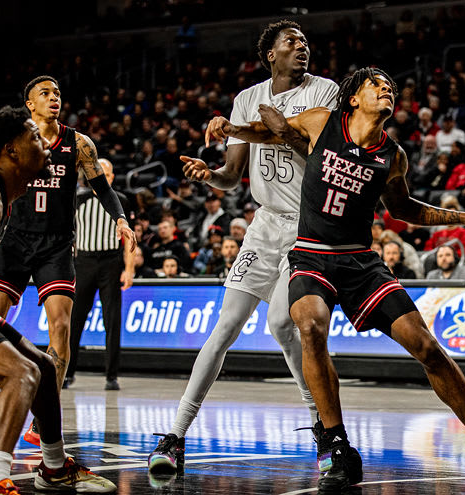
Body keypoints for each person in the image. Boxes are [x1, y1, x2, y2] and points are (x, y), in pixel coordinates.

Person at [206, 67, 465, 490]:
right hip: (311, 256)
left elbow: (405, 211)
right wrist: (230, 128)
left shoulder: (393, 155)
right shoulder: (322, 122)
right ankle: (337, 446)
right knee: (309, 326)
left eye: (391, 87)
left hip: (362, 263)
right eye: (377, 85)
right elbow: (268, 133)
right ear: (353, 98)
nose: (387, 90)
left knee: (427, 347)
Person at [148, 20, 339, 474]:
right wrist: (207, 174)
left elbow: (296, 139)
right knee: (226, 325)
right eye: (292, 42)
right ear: (270, 53)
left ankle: (321, 425)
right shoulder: (246, 98)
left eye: (306, 43)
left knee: (280, 323)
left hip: (308, 228)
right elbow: (232, 176)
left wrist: (238, 127)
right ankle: (175, 435)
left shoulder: (324, 91)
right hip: (265, 225)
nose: (301, 48)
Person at [0, 76, 136, 446]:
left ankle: (42, 420)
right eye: (45, 94)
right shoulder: (16, 140)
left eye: (58, 94)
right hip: (13, 241)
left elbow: (103, 188)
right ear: (29, 104)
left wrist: (120, 218)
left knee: (62, 328)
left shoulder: (78, 143)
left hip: (55, 244)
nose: (54, 99)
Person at [66, 158, 135, 391]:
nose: (102, 177)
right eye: (98, 173)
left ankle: (111, 375)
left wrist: (129, 268)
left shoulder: (121, 201)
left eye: (106, 174)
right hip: (83, 262)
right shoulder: (77, 199)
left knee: (112, 320)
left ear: (112, 177)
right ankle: (67, 372)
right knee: (74, 320)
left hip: (110, 263)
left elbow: (129, 239)